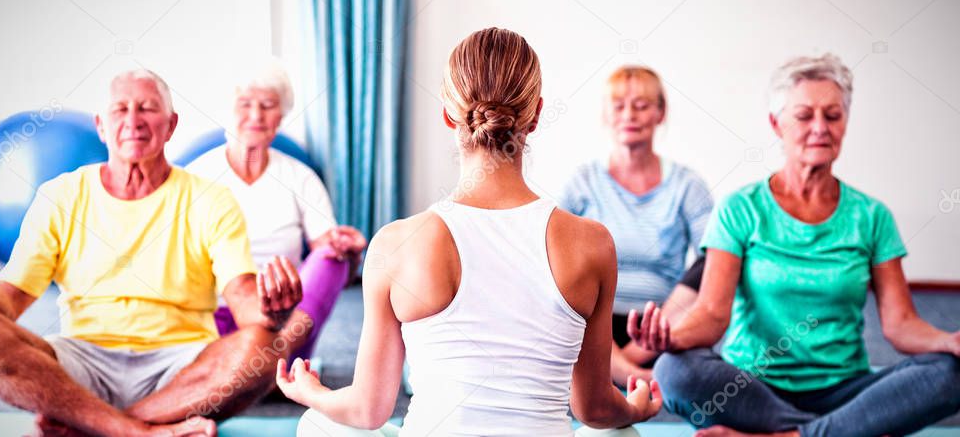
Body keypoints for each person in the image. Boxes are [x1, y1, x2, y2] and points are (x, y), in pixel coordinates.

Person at [275, 27, 661, 436]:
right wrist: (635, 408)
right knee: (618, 431)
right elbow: (595, 408)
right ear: (535, 115)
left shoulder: (395, 244)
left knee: (318, 422)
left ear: (447, 113)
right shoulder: (593, 242)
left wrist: (310, 391)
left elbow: (368, 409)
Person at [0, 69, 304, 436]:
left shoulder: (211, 199)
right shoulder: (61, 196)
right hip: (81, 363)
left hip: (181, 370)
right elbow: (8, 302)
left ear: (171, 125)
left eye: (146, 108)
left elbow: (244, 304)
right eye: (120, 109)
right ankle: (139, 431)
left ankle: (89, 425)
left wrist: (275, 313)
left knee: (266, 345)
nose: (133, 121)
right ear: (100, 125)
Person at [628, 54, 960, 437]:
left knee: (951, 372)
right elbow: (712, 313)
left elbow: (901, 325)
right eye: (804, 116)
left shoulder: (871, 217)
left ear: (845, 124)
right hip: (750, 389)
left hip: (845, 392)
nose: (820, 128)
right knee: (673, 370)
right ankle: (843, 433)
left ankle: (786, 436)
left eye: (832, 116)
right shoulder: (740, 208)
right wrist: (671, 338)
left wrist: (948, 340)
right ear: (776, 124)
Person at [184, 60, 366, 360]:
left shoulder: (301, 177)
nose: (256, 116)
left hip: (286, 326)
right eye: (245, 104)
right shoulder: (197, 176)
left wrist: (350, 252)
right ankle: (267, 370)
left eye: (268, 106)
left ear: (281, 116)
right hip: (214, 320)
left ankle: (266, 363)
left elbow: (333, 267)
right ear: (228, 109)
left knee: (331, 258)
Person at [560, 65, 712, 383]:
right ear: (606, 115)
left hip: (663, 326)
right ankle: (632, 376)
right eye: (619, 106)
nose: (630, 114)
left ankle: (621, 371)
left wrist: (636, 351)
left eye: (641, 105)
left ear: (660, 113)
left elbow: (711, 262)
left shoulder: (687, 185)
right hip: (594, 324)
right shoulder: (583, 182)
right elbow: (558, 263)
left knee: (712, 261)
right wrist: (607, 350)